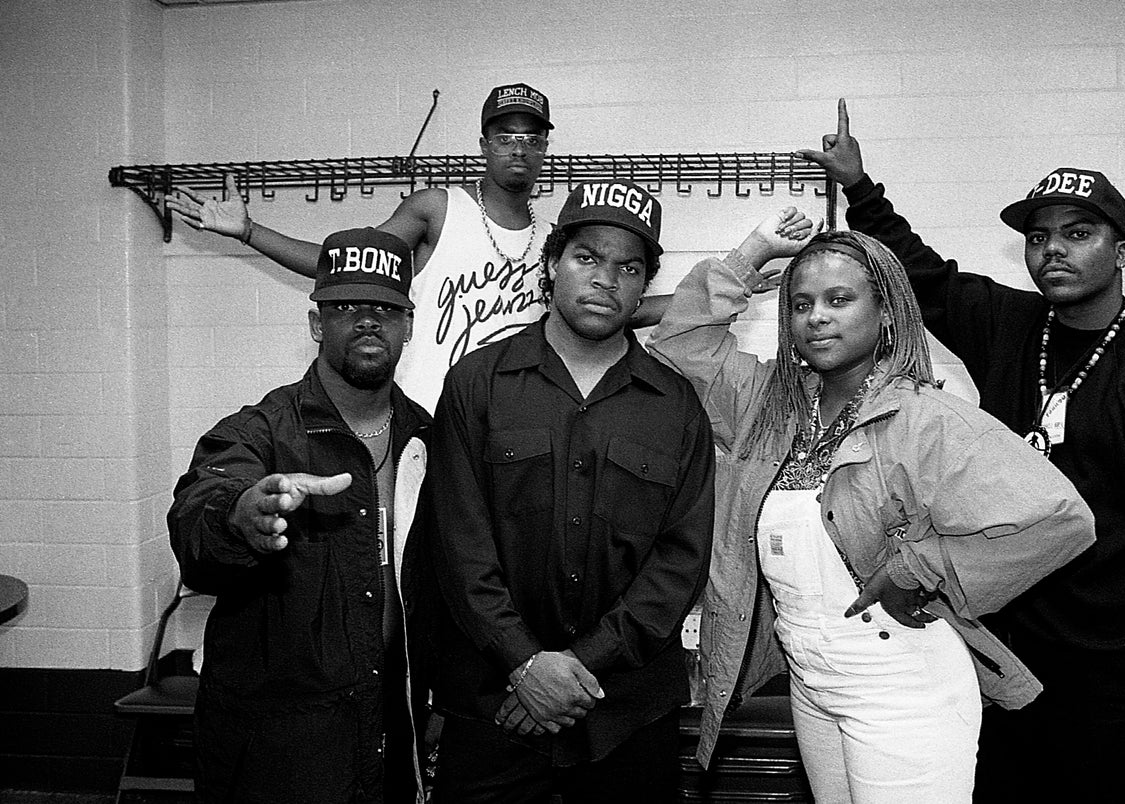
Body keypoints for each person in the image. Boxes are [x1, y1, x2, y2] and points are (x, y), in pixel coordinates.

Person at [797, 100, 1125, 803]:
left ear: (1121, 252)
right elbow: (919, 274)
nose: (1055, 250)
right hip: (1008, 662)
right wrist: (861, 188)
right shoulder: (1012, 325)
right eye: (1040, 237)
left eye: (1078, 234)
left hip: (1121, 680)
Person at [647, 209, 1097, 803]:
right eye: (802, 304)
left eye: (839, 299)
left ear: (885, 312)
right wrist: (751, 253)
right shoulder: (768, 405)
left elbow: (1060, 518)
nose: (817, 318)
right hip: (812, 685)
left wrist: (918, 566)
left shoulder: (924, 416)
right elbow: (681, 341)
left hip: (905, 686)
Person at [415, 180, 716, 802]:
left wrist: (580, 669)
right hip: (495, 709)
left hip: (624, 714)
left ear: (643, 287)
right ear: (552, 265)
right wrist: (524, 663)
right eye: (587, 258)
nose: (606, 279)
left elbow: (679, 562)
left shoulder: (677, 405)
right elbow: (458, 542)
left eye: (628, 267)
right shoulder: (478, 383)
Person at [168, 228, 433, 803]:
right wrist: (242, 516)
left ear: (408, 327)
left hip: (392, 726)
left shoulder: (428, 439)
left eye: (386, 308)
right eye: (346, 307)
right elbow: (196, 516)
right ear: (317, 324)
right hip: (279, 747)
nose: (368, 320)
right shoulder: (260, 430)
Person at [165, 83, 558, 410]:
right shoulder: (438, 209)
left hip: (513, 423)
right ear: (484, 145)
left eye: (531, 139)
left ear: (544, 149)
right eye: (505, 138)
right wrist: (249, 231)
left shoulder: (554, 241)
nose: (518, 149)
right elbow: (340, 265)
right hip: (432, 413)